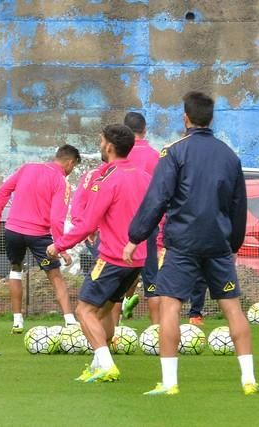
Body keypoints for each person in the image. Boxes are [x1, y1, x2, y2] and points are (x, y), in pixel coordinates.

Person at [124, 91, 259, 396]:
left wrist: (135, 236)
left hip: (182, 244)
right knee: (233, 310)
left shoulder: (174, 152)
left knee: (170, 307)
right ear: (211, 118)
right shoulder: (229, 155)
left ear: (185, 118)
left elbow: (157, 198)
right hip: (218, 245)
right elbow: (239, 207)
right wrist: (232, 245)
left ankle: (170, 383)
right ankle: (248, 379)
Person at [47, 124, 150, 383]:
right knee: (104, 311)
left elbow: (87, 224)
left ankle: (106, 363)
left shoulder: (110, 179)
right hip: (137, 259)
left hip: (113, 258)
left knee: (83, 311)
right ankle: (97, 364)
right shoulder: (144, 177)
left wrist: (59, 245)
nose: (100, 144)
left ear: (109, 146)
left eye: (101, 140)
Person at [0, 144, 81, 333]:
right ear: (70, 162)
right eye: (74, 167)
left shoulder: (27, 168)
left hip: (13, 231)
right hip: (38, 236)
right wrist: (61, 247)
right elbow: (56, 218)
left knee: (15, 269)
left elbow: (3, 190)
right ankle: (70, 321)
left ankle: (17, 321)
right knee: (55, 276)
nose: (71, 171)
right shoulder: (61, 181)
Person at [119, 112, 161, 322]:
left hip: (120, 224)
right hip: (149, 223)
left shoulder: (120, 153)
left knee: (117, 273)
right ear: (145, 130)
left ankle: (113, 330)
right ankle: (156, 331)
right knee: (151, 278)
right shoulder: (156, 156)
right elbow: (163, 193)